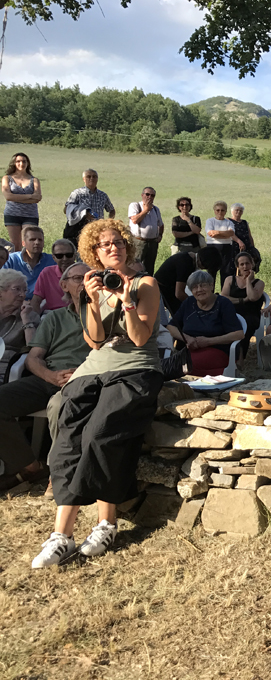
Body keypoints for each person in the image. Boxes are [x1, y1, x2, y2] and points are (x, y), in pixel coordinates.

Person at [32, 219, 163, 568]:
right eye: (105, 245)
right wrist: (91, 300)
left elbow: (139, 338)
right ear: (95, 253)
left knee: (100, 434)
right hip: (93, 369)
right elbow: (94, 340)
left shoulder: (145, 284)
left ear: (127, 247)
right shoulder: (93, 287)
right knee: (68, 437)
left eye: (118, 242)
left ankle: (106, 524)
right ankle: (62, 535)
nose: (113, 248)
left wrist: (126, 301)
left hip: (135, 368)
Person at [0, 262, 92, 492]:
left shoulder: (107, 317)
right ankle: (30, 466)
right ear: (64, 285)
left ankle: (59, 473)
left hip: (85, 379)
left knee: (60, 406)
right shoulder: (55, 318)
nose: (84, 283)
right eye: (78, 278)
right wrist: (50, 376)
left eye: (89, 278)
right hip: (48, 377)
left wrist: (80, 374)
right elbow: (33, 358)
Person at [167, 270, 244, 376]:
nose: (199, 290)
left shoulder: (223, 304)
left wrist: (208, 341)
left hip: (218, 350)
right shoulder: (188, 303)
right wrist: (187, 338)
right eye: (195, 287)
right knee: (174, 364)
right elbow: (171, 326)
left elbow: (239, 334)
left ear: (211, 286)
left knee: (184, 365)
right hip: (191, 350)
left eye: (203, 285)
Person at [153, 245, 222, 316]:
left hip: (168, 287)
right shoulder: (186, 264)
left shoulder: (189, 257)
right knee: (183, 314)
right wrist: (196, 304)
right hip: (162, 289)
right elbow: (179, 294)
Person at [221, 252, 264, 363]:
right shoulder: (230, 279)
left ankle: (240, 358)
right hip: (233, 313)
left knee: (246, 323)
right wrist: (243, 300)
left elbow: (252, 297)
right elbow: (224, 298)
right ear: (237, 266)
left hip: (251, 314)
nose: (245, 267)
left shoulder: (259, 283)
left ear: (252, 264)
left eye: (247, 263)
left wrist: (248, 281)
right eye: (242, 264)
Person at [0, 269, 39, 381]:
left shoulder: (30, 316)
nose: (22, 295)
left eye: (24, 290)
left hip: (5, 369)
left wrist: (25, 318)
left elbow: (33, 348)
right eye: (17, 289)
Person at [63, 169, 115, 248]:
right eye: (88, 176)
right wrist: (82, 213)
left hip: (98, 230)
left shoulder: (103, 195)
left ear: (97, 179)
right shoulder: (77, 193)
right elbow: (66, 209)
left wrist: (108, 222)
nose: (91, 178)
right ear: (84, 179)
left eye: (94, 176)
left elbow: (111, 210)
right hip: (80, 230)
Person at [2, 152, 42, 251]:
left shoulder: (34, 180)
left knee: (29, 242)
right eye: (18, 161)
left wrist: (16, 197)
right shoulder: (7, 178)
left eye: (24, 161)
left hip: (30, 215)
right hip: (12, 213)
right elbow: (8, 196)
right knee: (15, 244)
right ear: (14, 163)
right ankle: (15, 261)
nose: (21, 164)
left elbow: (37, 198)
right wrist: (30, 196)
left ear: (28, 163)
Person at [5, 225, 55, 299]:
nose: (37, 242)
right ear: (23, 243)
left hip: (43, 301)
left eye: (40, 240)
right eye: (32, 239)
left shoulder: (52, 260)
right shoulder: (11, 260)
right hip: (15, 300)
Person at [30, 238, 78, 315]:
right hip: (53, 314)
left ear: (75, 256)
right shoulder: (47, 273)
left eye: (69, 255)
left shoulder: (84, 272)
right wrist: (34, 319)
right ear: (53, 258)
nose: (65, 259)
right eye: (59, 256)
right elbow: (36, 300)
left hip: (78, 313)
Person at [127, 187, 164, 275]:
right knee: (135, 266)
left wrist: (160, 235)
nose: (149, 197)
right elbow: (135, 220)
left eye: (152, 195)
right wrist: (146, 210)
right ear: (142, 195)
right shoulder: (135, 205)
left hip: (153, 242)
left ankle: (148, 282)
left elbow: (161, 224)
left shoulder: (156, 209)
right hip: (139, 242)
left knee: (150, 267)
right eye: (147, 194)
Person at [205, 201, 243, 285]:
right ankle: (210, 291)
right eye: (218, 210)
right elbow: (211, 234)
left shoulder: (229, 222)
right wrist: (225, 235)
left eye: (222, 210)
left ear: (225, 211)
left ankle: (224, 291)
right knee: (211, 272)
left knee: (226, 272)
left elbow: (231, 233)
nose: (220, 212)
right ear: (214, 211)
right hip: (212, 248)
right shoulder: (210, 221)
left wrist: (217, 233)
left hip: (226, 249)